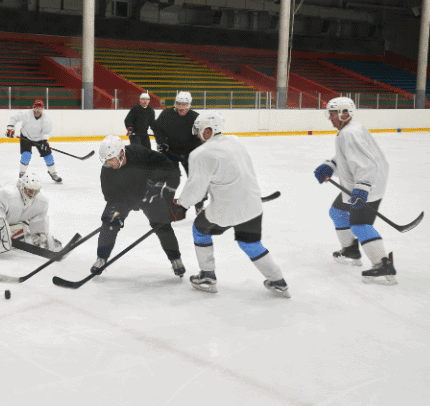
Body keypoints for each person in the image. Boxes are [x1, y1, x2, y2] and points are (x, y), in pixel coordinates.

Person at [171, 111, 290, 297]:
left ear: (209, 131)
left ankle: (207, 277)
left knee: (200, 229)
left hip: (225, 208)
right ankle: (278, 281)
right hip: (252, 204)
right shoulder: (236, 141)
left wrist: (180, 205)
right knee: (250, 243)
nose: (196, 135)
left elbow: (195, 190)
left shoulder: (200, 154)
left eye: (199, 130)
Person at [313, 96, 396, 284]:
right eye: (330, 113)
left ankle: (383, 264)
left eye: (333, 114)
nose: (330, 118)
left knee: (360, 224)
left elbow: (364, 163)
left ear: (345, 113)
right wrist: (330, 165)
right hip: (360, 184)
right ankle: (351, 250)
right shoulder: (350, 130)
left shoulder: (350, 133)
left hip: (367, 185)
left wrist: (363, 187)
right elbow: (347, 155)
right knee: (337, 212)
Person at [92, 135, 185, 277]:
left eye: (111, 159)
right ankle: (101, 258)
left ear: (121, 154)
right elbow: (110, 196)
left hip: (149, 194)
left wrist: (160, 188)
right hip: (123, 199)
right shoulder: (107, 171)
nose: (109, 163)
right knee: (110, 222)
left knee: (162, 225)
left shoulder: (139, 153)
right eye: (106, 160)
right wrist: (118, 211)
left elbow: (168, 167)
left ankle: (175, 259)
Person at [154, 91, 203, 213]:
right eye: (179, 104)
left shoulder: (196, 117)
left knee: (195, 180)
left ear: (189, 104)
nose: (181, 107)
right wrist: (161, 142)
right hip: (171, 153)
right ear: (175, 104)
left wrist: (199, 149)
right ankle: (167, 206)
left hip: (190, 154)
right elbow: (157, 128)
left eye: (184, 104)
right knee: (173, 179)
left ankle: (199, 207)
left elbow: (200, 136)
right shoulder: (166, 114)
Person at [6, 99, 62, 183]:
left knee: (48, 156)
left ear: (43, 109)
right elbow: (14, 117)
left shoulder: (46, 119)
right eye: (36, 108)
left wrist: (44, 140)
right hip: (26, 137)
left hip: (39, 139)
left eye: (40, 108)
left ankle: (53, 174)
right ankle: (22, 174)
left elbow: (47, 131)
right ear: (33, 107)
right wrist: (10, 127)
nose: (37, 110)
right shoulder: (26, 114)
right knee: (26, 155)